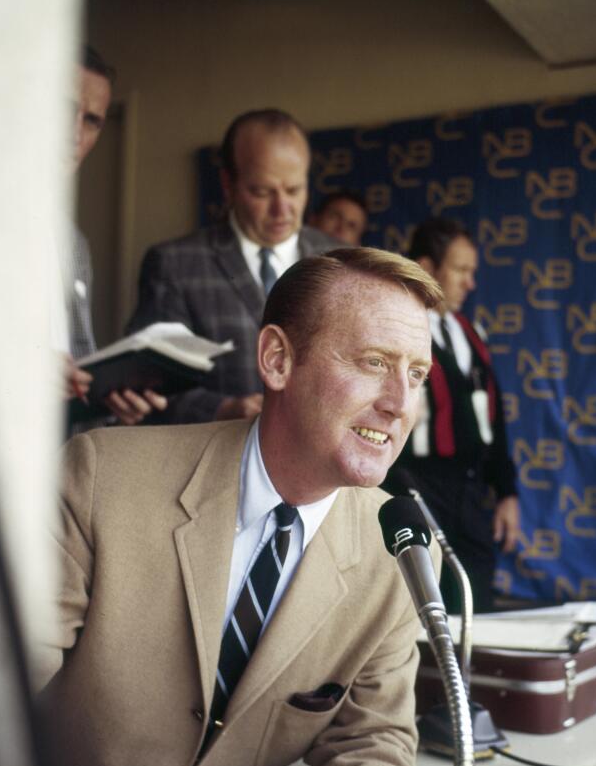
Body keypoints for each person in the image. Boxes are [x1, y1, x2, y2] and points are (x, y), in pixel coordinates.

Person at [36, 247, 447, 766]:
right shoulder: (98, 477)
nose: (400, 403)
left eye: (417, 374)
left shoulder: (397, 545)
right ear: (278, 360)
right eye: (373, 362)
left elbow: (370, 733)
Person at [127, 109, 342, 424]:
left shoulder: (341, 261)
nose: (282, 209)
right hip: (217, 457)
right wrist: (222, 410)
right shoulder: (175, 264)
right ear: (228, 183)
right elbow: (146, 386)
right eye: (262, 192)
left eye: (294, 190)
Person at [386, 217, 520, 611]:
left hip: (471, 490)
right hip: (418, 484)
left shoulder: (469, 331)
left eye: (471, 272)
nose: (470, 283)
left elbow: (494, 419)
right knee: (423, 602)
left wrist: (506, 491)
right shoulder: (397, 330)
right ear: (427, 268)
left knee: (477, 598)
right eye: (461, 270)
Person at [61, 46, 166, 427]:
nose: (73, 134)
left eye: (91, 120)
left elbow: (77, 361)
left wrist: (111, 401)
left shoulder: (73, 243)